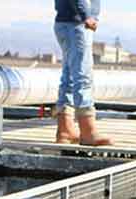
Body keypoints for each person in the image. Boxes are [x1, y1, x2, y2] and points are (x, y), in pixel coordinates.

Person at [53, 0, 111, 146]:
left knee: (69, 78)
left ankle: (65, 130)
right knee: (82, 78)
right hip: (77, 23)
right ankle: (88, 132)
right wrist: (86, 15)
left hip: (67, 22)